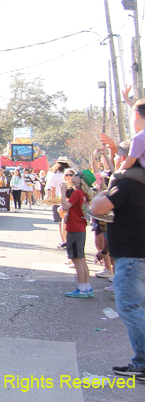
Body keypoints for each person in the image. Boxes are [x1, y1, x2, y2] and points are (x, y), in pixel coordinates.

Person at [89, 156, 145, 381]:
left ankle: (142, 363)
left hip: (132, 258)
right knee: (137, 308)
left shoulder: (128, 186)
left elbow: (97, 208)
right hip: (136, 255)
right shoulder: (136, 185)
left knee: (129, 308)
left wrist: (102, 193)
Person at [62, 169, 94, 298]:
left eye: (76, 175)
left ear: (81, 180)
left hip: (75, 228)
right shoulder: (83, 194)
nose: (72, 176)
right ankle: (87, 287)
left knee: (76, 259)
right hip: (80, 227)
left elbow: (65, 206)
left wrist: (62, 192)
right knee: (81, 259)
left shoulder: (77, 193)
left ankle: (82, 288)